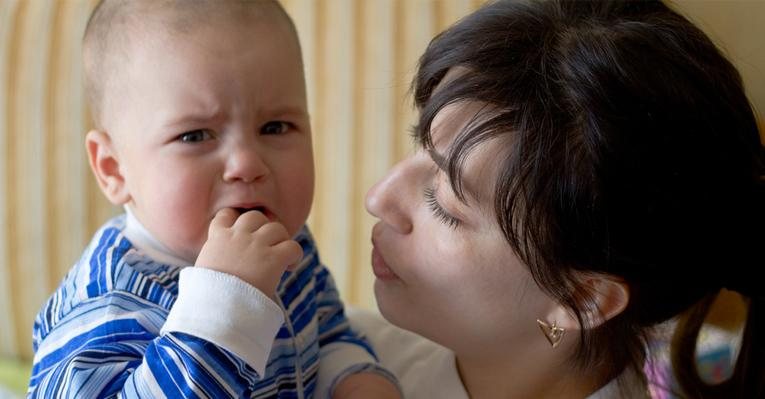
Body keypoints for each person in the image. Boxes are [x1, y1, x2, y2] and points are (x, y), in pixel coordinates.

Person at [361, 0, 765, 398]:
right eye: (421, 144)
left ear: (582, 297)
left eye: (443, 203)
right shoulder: (340, 357)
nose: (378, 198)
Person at [28, 1, 400, 398]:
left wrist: (354, 376)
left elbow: (323, 331)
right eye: (195, 135)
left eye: (275, 127)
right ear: (114, 170)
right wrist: (225, 306)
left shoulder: (283, 243)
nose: (247, 164)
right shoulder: (106, 304)